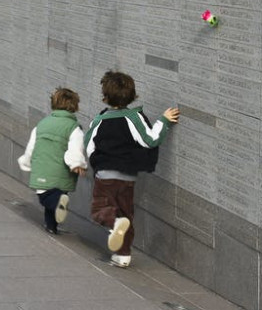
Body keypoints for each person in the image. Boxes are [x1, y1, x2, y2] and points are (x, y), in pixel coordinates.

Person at [84, 71, 179, 267]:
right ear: (133, 95)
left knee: (100, 210)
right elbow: (150, 139)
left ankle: (113, 223)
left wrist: (95, 161)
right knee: (126, 214)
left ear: (105, 97)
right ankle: (123, 255)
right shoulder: (134, 118)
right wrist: (164, 120)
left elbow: (89, 145)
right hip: (128, 178)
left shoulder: (99, 120)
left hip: (105, 177)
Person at [18, 87, 87, 235]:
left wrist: (26, 161)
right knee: (58, 198)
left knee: (45, 198)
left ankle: (53, 219)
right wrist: (76, 164)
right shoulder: (74, 128)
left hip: (43, 169)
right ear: (75, 106)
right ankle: (51, 226)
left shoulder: (41, 124)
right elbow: (75, 148)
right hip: (61, 172)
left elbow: (32, 147)